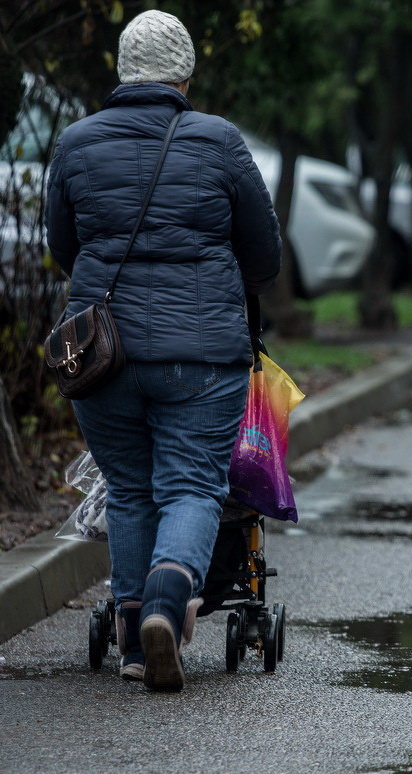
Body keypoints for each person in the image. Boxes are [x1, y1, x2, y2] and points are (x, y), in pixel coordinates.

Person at [45, 10, 281, 691]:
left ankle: (128, 640)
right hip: (201, 353)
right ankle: (166, 606)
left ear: (123, 70)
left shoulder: (76, 142)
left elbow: (65, 249)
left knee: (128, 485)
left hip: (102, 354)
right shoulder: (219, 141)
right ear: (185, 73)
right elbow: (262, 253)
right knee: (194, 483)